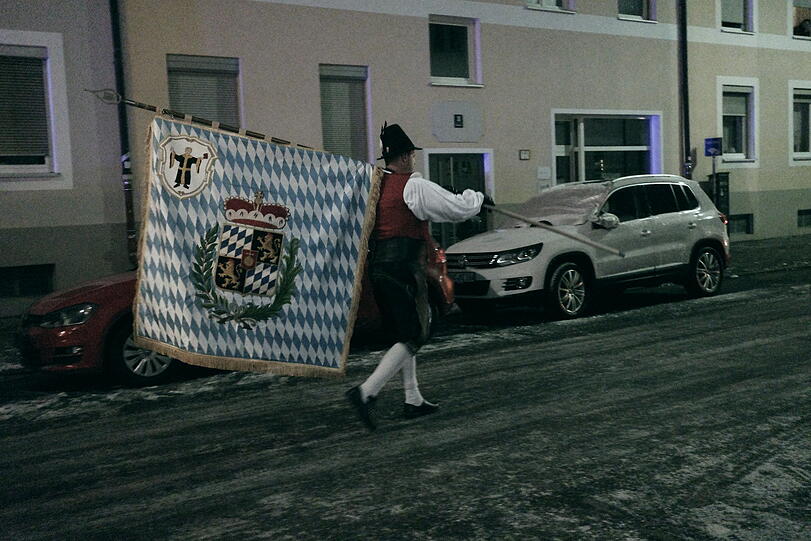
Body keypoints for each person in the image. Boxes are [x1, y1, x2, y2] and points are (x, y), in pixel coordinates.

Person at [345, 123, 493, 431]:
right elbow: (454, 209)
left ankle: (412, 398)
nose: (414, 159)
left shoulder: (377, 185)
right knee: (415, 334)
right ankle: (366, 392)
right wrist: (478, 199)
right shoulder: (412, 185)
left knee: (403, 332)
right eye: (412, 155)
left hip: (380, 269)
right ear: (405, 156)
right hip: (402, 268)